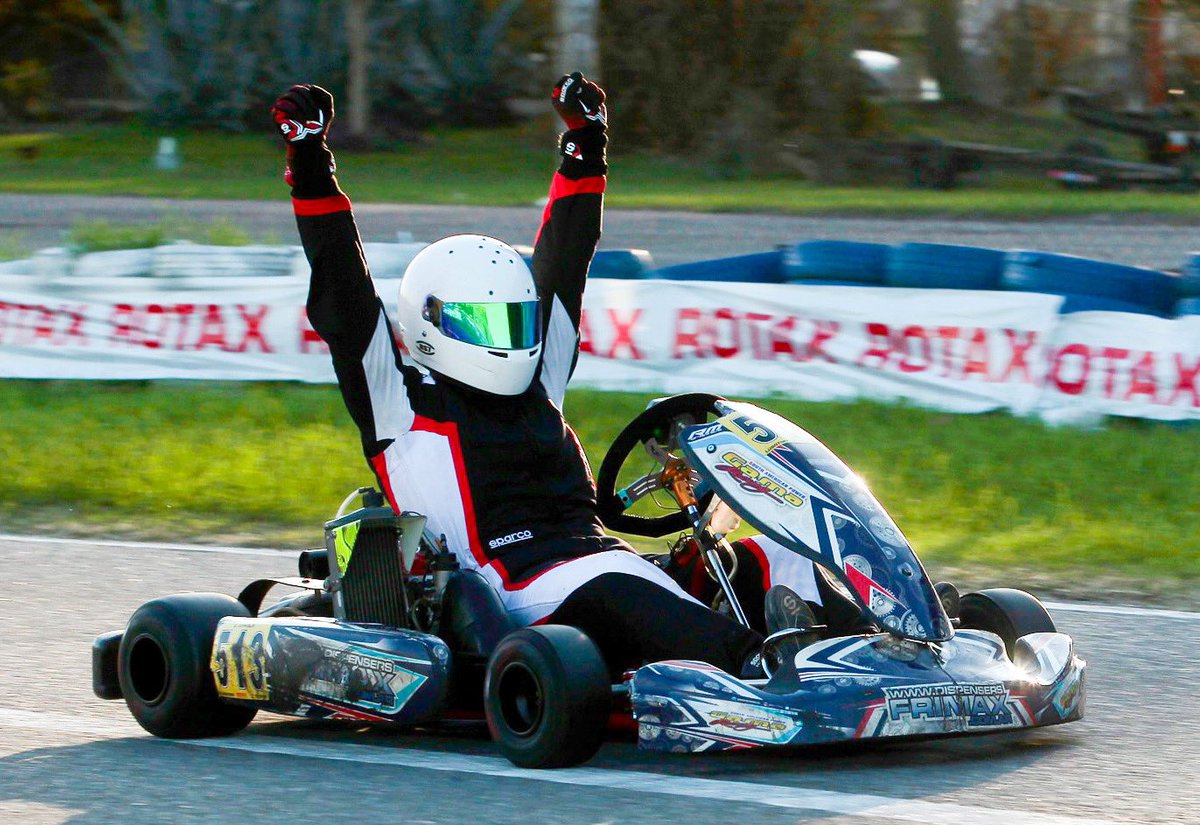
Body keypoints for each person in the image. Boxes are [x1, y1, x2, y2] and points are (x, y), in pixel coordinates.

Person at [271, 74, 849, 677]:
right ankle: (767, 669)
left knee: (773, 555)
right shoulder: (398, 402)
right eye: (482, 323)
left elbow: (565, 261)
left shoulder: (537, 383)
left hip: (601, 563)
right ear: (430, 324)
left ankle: (880, 642)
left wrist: (585, 146)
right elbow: (341, 283)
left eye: (516, 322)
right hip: (511, 593)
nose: (508, 340)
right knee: (624, 587)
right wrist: (310, 161)